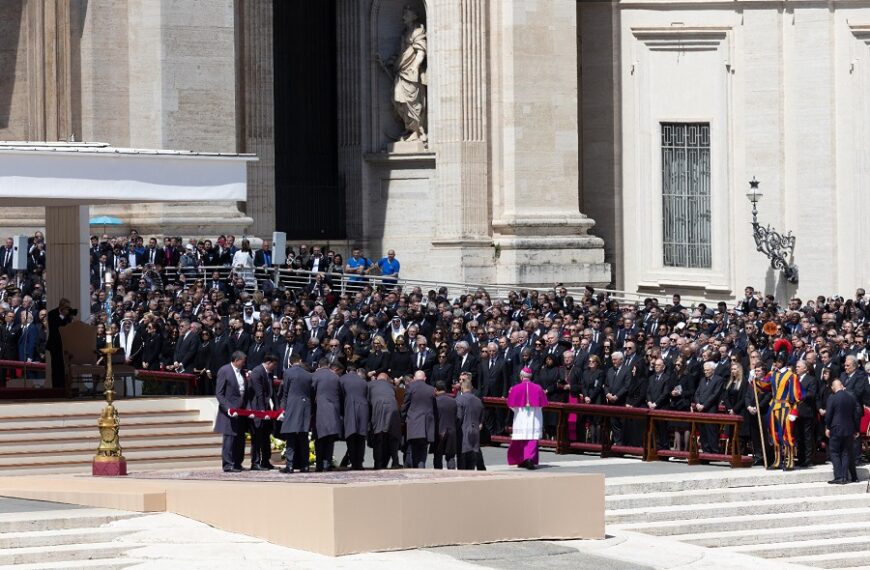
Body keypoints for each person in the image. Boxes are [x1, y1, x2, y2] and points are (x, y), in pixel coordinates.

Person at [757, 339, 803, 470]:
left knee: (787, 434)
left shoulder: (791, 376)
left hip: (786, 407)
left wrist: (794, 411)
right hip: (774, 407)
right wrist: (756, 379)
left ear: (782, 362)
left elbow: (797, 396)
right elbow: (763, 386)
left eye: (777, 361)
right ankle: (778, 460)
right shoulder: (772, 374)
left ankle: (790, 461)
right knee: (775, 434)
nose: (775, 363)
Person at [506, 366, 548, 469]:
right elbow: (542, 405)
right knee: (532, 438)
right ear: (530, 377)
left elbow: (511, 405)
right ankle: (529, 459)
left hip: (520, 417)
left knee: (520, 438)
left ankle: (521, 460)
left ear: (521, 376)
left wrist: (519, 410)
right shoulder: (538, 388)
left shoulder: (515, 388)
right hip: (534, 417)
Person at [277, 354, 313, 473]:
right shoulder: (308, 374)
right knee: (303, 437)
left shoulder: (288, 372)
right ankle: (305, 465)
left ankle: (290, 465)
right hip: (305, 407)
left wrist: (282, 409)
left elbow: (285, 392)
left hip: (292, 406)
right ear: (300, 361)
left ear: (290, 362)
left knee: (290, 437)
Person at [214, 351, 248, 472]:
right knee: (229, 438)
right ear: (236, 360)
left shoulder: (242, 372)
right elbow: (219, 393)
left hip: (241, 410)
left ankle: (238, 463)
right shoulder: (224, 370)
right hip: (229, 411)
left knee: (240, 438)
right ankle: (228, 464)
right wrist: (228, 408)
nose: (244, 364)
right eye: (243, 361)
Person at [825, 379, 861, 484]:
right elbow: (855, 414)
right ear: (841, 386)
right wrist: (856, 429)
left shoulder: (832, 398)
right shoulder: (851, 397)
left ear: (833, 387)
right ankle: (844, 477)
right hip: (849, 429)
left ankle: (839, 476)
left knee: (834, 452)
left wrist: (828, 427)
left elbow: (828, 415)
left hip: (836, 428)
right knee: (845, 453)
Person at [400, 370, 437, 468]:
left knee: (413, 450)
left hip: (413, 423)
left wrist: (402, 420)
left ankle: (415, 470)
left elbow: (405, 406)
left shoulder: (410, 387)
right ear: (425, 378)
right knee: (423, 450)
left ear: (414, 378)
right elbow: (434, 408)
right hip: (427, 425)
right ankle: (421, 468)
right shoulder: (431, 389)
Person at [247, 353, 278, 470]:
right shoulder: (257, 371)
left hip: (266, 408)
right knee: (257, 437)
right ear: (268, 362)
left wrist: (277, 408)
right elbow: (259, 393)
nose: (275, 367)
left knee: (266, 436)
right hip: (257, 408)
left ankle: (265, 460)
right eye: (274, 365)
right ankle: (255, 462)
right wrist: (262, 411)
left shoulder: (268, 373)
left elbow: (271, 392)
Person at [312, 359, 343, 472]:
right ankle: (327, 464)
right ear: (329, 365)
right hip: (333, 411)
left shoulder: (315, 376)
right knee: (330, 439)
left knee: (319, 439)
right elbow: (340, 394)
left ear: (319, 365)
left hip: (319, 410)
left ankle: (319, 465)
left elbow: (312, 391)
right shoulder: (335, 377)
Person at [368, 372, 402, 469]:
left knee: (378, 436)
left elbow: (368, 401)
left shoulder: (370, 384)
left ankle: (377, 464)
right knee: (393, 437)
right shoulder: (391, 386)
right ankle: (395, 462)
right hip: (393, 409)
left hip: (378, 408)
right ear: (387, 379)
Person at [339, 366, 370, 470]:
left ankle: (353, 462)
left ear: (347, 371)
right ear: (356, 371)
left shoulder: (342, 379)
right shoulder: (363, 382)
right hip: (363, 409)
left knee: (351, 436)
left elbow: (341, 396)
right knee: (361, 437)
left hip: (350, 408)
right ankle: (359, 463)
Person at [455, 373, 485, 470]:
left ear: (462, 388)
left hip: (463, 432)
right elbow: (481, 416)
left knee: (462, 460)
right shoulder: (478, 400)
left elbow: (458, 417)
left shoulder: (459, 399)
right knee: (471, 461)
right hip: (475, 431)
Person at [46, 298, 75, 389]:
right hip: (55, 344)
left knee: (64, 367)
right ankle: (56, 387)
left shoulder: (68, 315)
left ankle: (65, 386)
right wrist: (62, 316)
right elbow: (55, 327)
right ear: (61, 307)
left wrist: (70, 318)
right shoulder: (52, 314)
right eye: (66, 307)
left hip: (65, 344)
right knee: (56, 366)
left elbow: (69, 328)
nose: (68, 309)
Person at [433, 380, 458, 469]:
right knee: (451, 457)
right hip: (451, 431)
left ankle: (438, 475)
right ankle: (451, 474)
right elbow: (456, 416)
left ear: (435, 389)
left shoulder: (435, 401)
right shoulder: (453, 401)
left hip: (439, 432)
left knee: (437, 456)